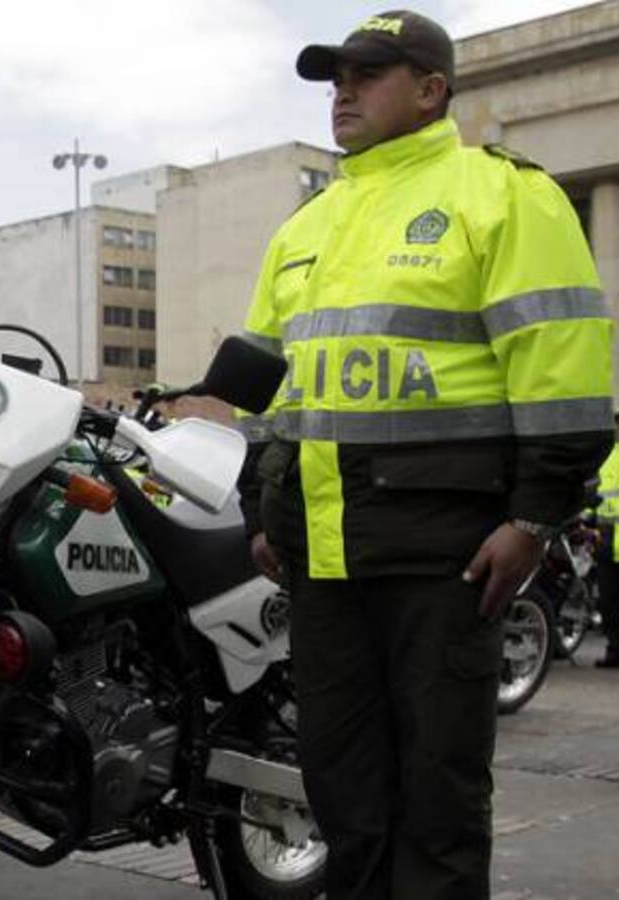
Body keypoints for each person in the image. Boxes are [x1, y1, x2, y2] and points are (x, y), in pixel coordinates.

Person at [235, 11, 614, 899]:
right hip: (323, 562)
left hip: (446, 553)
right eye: (335, 79)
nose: (344, 92)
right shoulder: (306, 227)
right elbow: (271, 392)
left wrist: (531, 516)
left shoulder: (504, 196)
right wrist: (264, 510)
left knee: (437, 799)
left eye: (368, 74)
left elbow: (562, 372)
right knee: (344, 794)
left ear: (431, 90)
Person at [593, 414, 619, 668]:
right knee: (608, 601)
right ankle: (615, 650)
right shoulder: (607, 456)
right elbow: (597, 495)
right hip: (605, 540)